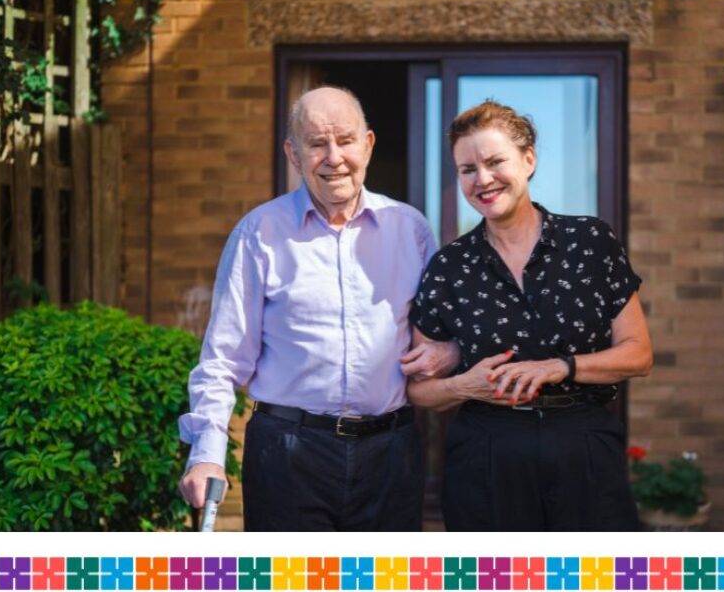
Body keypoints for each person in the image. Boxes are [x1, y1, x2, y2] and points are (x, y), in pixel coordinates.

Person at [178, 86, 458, 531]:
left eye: (345, 140)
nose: (333, 157)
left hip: (390, 453)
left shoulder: (412, 230)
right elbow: (223, 361)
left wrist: (451, 353)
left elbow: (446, 333)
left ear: (367, 144)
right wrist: (207, 455)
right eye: (316, 143)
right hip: (288, 454)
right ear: (293, 154)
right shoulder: (258, 233)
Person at [407, 101, 653, 531]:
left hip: (584, 446)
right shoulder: (449, 266)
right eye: (467, 169)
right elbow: (419, 392)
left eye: (495, 161)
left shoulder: (590, 241)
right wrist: (467, 384)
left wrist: (561, 366)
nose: (482, 179)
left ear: (529, 160)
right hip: (486, 453)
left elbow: (639, 355)